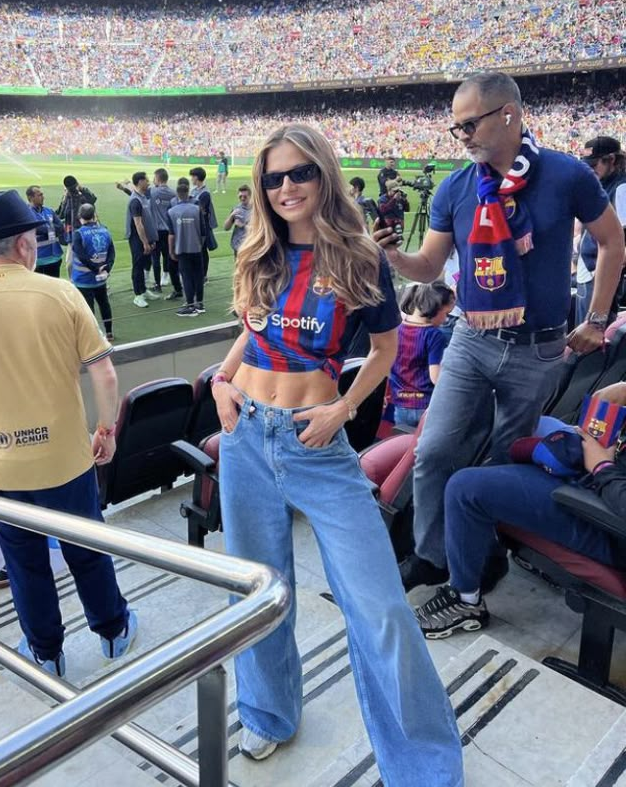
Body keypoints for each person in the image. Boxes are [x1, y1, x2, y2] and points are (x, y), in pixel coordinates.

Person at [211, 124, 462, 783]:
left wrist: (344, 410)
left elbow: (382, 349)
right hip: (245, 436)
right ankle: (268, 715)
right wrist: (219, 380)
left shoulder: (357, 255)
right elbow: (249, 332)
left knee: (378, 606)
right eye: (273, 177)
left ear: (323, 174)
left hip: (317, 441)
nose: (286, 186)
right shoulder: (256, 249)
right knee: (260, 591)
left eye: (299, 173)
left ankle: (425, 766)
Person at [375, 72, 625, 593]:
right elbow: (427, 266)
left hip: (539, 349)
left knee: (502, 463)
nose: (462, 136)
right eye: (455, 128)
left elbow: (612, 243)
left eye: (469, 123)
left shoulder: (566, 174)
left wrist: (597, 319)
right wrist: (395, 255)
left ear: (507, 114)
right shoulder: (456, 187)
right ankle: (432, 555)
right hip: (470, 338)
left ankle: (483, 558)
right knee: (434, 450)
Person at [0, 190, 136, 676]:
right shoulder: (61, 293)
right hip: (66, 459)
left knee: (25, 562)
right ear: (22, 244)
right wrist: (107, 430)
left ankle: (46, 653)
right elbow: (106, 376)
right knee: (87, 549)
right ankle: (113, 631)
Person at [414, 383, 626, 639]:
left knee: (464, 489)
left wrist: (601, 466)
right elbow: (604, 403)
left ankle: (465, 599)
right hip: (603, 478)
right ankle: (482, 544)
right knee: (533, 425)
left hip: (607, 522)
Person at [390, 281, 455, 427]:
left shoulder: (397, 330)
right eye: (446, 313)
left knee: (405, 445)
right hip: (425, 406)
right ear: (435, 307)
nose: (445, 319)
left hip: (400, 405)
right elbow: (435, 377)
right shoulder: (433, 335)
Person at [576, 136, 626, 322]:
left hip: (599, 274)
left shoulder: (621, 188)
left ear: (611, 160)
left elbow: (621, 242)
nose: (590, 169)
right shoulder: (602, 183)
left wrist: (604, 273)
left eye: (594, 164)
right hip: (590, 270)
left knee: (592, 338)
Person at [71, 203, 115, 340]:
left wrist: (95, 269)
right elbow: (112, 253)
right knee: (104, 304)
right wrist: (106, 268)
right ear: (94, 215)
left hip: (83, 279)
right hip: (101, 279)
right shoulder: (105, 230)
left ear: (80, 216)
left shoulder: (78, 234)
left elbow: (81, 256)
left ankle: (94, 336)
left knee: (88, 309)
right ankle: (109, 332)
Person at [167, 181, 205, 317]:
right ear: (188, 194)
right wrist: (199, 244)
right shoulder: (197, 209)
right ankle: (200, 303)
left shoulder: (172, 211)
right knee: (198, 276)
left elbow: (171, 235)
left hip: (181, 248)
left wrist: (171, 251)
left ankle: (190, 305)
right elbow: (203, 232)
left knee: (187, 277)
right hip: (196, 248)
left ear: (177, 195)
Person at [125, 172, 160, 308]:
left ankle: (144, 290)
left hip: (148, 238)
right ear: (140, 182)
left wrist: (151, 239)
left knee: (146, 263)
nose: (149, 181)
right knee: (138, 265)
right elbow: (138, 224)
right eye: (146, 180)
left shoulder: (143, 197)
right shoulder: (135, 201)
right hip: (137, 239)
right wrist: (145, 242)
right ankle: (138, 295)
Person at [57, 176, 96, 277]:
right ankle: (73, 283)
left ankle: (97, 279)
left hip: (86, 234)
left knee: (90, 259)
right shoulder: (66, 199)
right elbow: (60, 214)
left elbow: (93, 199)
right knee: (70, 264)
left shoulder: (82, 197)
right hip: (72, 236)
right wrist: (64, 198)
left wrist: (82, 188)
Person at [26, 185, 65, 277]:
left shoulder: (49, 211)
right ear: (31, 198)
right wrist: (51, 227)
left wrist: (47, 228)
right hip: (39, 259)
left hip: (55, 257)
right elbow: (39, 229)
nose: (43, 197)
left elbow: (60, 227)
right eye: (39, 195)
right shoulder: (27, 214)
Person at [149, 168, 177, 294]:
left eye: (154, 178)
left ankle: (157, 284)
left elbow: (138, 195)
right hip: (170, 230)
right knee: (168, 255)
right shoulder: (173, 193)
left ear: (158, 179)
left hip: (156, 230)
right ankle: (168, 277)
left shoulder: (153, 191)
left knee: (155, 258)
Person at [189, 167, 217, 280]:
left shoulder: (205, 193)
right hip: (194, 224)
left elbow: (198, 209)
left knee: (202, 251)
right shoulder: (195, 190)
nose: (191, 179)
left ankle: (203, 275)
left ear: (196, 177)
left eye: (192, 176)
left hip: (202, 226)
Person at [223, 184, 252, 256]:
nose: (242, 198)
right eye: (240, 196)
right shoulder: (236, 209)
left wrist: (242, 225)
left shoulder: (256, 210)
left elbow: (258, 230)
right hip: (237, 247)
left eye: (245, 196)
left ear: (250, 196)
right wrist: (231, 216)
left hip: (250, 246)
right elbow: (226, 228)